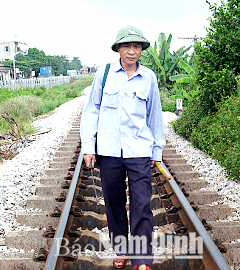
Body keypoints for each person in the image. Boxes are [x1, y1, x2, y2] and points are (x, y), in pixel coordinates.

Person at [80, 25, 165, 270]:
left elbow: (155, 116)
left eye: (136, 46)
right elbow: (92, 110)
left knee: (141, 204)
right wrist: (89, 146)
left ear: (141, 50)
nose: (131, 51)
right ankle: (121, 249)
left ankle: (141, 260)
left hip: (139, 150)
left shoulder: (148, 77)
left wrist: (156, 151)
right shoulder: (104, 74)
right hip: (108, 151)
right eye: (127, 46)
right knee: (114, 202)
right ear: (118, 48)